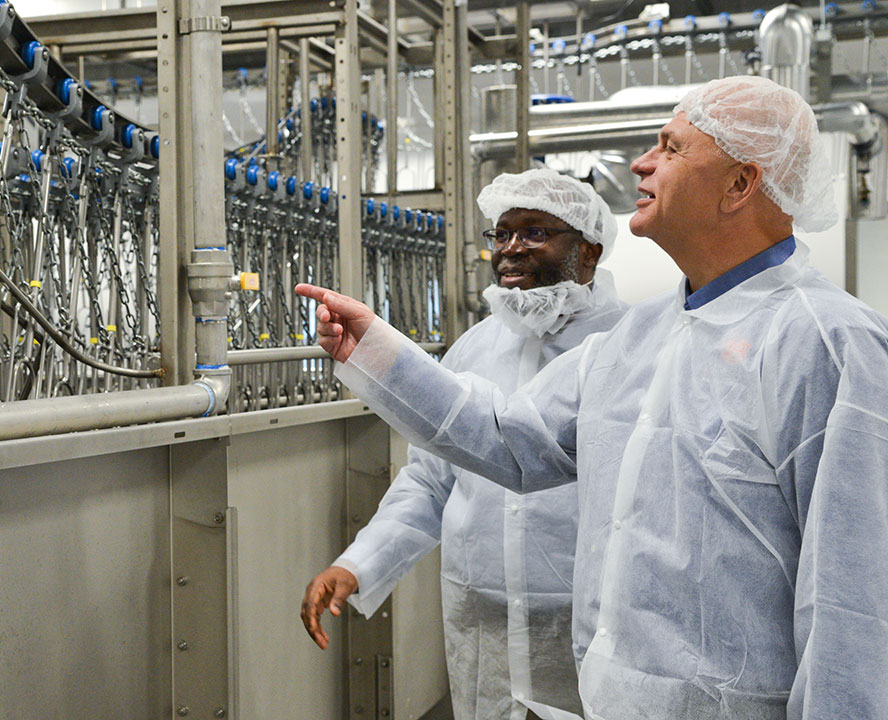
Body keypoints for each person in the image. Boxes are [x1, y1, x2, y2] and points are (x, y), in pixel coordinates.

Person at [296, 75, 888, 718]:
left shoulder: (824, 341)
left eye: (671, 147)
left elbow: (853, 598)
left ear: (740, 185)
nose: (641, 161)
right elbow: (504, 436)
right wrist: (375, 349)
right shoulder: (640, 335)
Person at [299, 169, 627, 720]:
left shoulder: (627, 346)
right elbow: (432, 480)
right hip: (485, 628)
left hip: (586, 628)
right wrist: (360, 563)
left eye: (535, 233)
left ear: (589, 253)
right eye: (501, 234)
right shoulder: (475, 349)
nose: (511, 250)